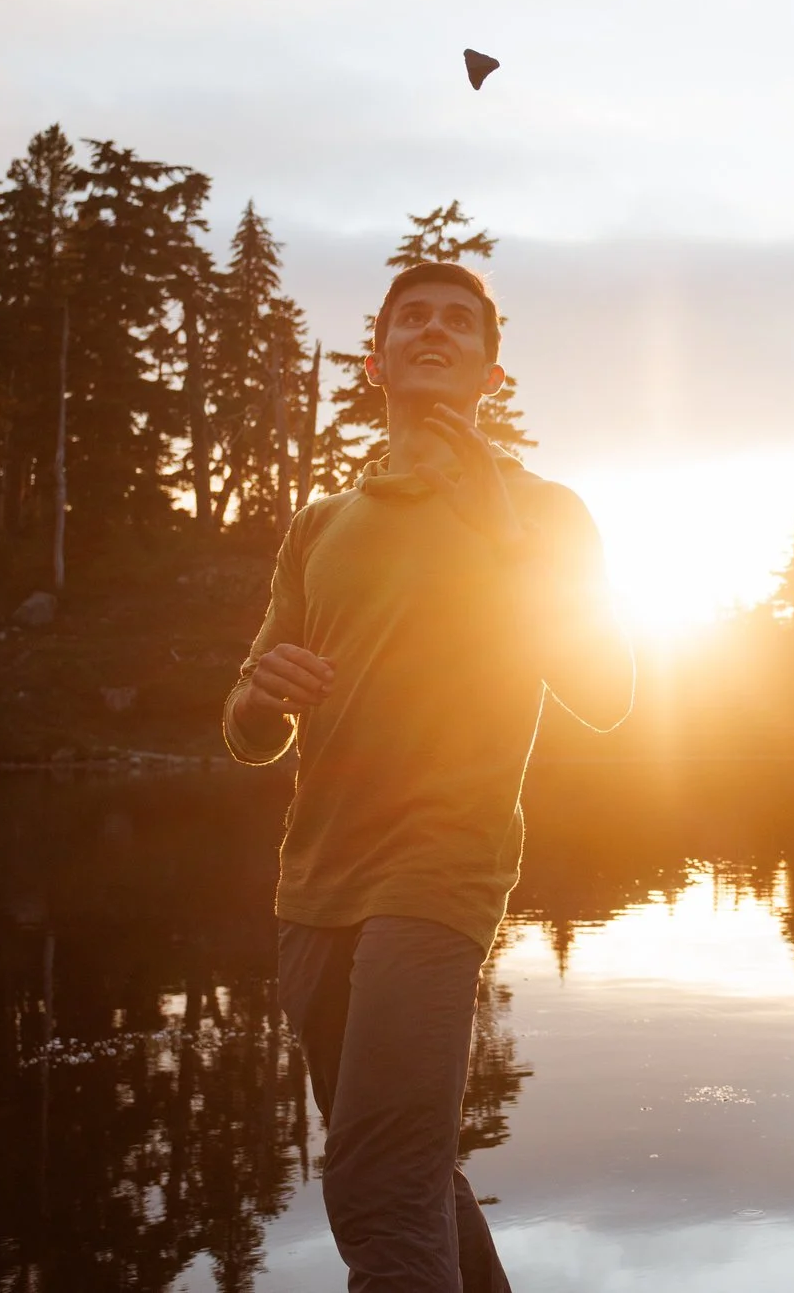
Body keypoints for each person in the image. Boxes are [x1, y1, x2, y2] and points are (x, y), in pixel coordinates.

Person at [224, 260, 631, 1293]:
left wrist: (500, 532)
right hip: (313, 889)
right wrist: (261, 694)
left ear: (493, 376)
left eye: (461, 321)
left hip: (440, 874)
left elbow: (605, 689)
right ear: (376, 363)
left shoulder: (544, 514)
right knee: (412, 1175)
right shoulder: (318, 524)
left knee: (374, 1185)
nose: (436, 330)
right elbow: (245, 729)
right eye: (414, 319)